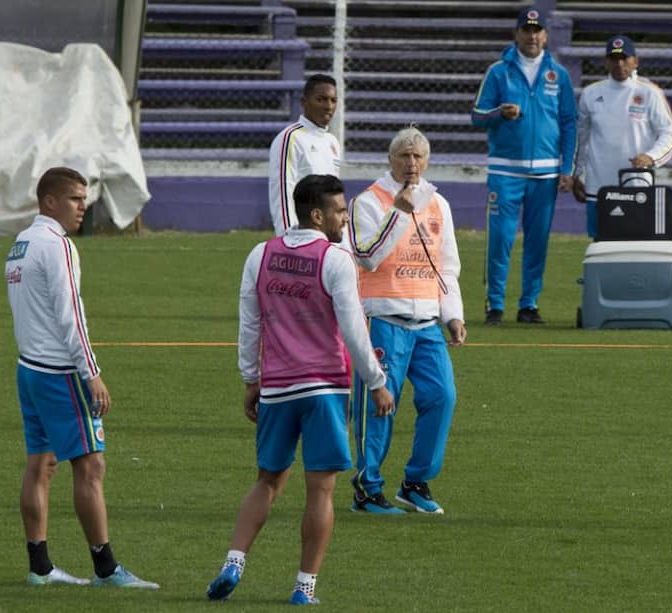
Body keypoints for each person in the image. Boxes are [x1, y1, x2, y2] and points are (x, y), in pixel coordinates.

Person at [206, 174, 394, 605]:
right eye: (340, 211)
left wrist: (250, 379)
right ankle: (303, 587)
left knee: (267, 481)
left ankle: (234, 561)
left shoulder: (260, 254)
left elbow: (249, 322)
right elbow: (353, 329)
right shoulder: (335, 259)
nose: (345, 218)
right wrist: (377, 382)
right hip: (324, 387)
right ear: (317, 215)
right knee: (321, 490)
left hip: (277, 387)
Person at [5, 167, 158, 589]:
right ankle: (105, 569)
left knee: (40, 463)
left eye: (83, 198)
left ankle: (40, 567)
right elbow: (70, 314)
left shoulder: (20, 244)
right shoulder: (58, 245)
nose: (83, 207)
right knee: (91, 466)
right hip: (59, 373)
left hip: (29, 369)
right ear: (49, 201)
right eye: (74, 198)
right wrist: (92, 373)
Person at [348, 127, 466, 514]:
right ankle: (367, 489)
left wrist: (453, 314)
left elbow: (446, 266)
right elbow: (367, 257)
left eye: (418, 156)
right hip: (384, 318)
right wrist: (399, 212)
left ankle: (416, 482)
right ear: (390, 159)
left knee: (442, 396)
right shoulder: (368, 202)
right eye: (404, 155)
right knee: (380, 405)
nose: (412, 163)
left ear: (427, 161)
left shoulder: (438, 204)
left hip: (427, 322)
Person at [471, 7, 577, 325]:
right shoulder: (498, 72)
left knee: (537, 241)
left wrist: (567, 169)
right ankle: (495, 305)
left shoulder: (559, 74)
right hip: (505, 171)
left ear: (545, 35)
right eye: (526, 30)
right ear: (516, 34)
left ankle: (529, 304)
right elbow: (477, 116)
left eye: (537, 30)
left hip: (545, 173)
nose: (532, 36)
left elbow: (569, 123)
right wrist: (498, 113)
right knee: (500, 239)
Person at [572, 34, 672, 238]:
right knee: (600, 245)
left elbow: (671, 134)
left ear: (635, 61)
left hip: (637, 185)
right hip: (598, 186)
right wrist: (575, 173)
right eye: (614, 58)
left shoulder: (649, 92)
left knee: (637, 244)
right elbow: (581, 138)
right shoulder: (590, 93)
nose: (619, 64)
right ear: (606, 62)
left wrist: (651, 157)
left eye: (624, 58)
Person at [268, 74, 341, 236]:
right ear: (304, 102)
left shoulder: (332, 142)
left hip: (327, 236)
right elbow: (282, 192)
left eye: (333, 100)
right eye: (321, 99)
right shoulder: (290, 138)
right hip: (302, 236)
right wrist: (289, 239)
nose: (328, 106)